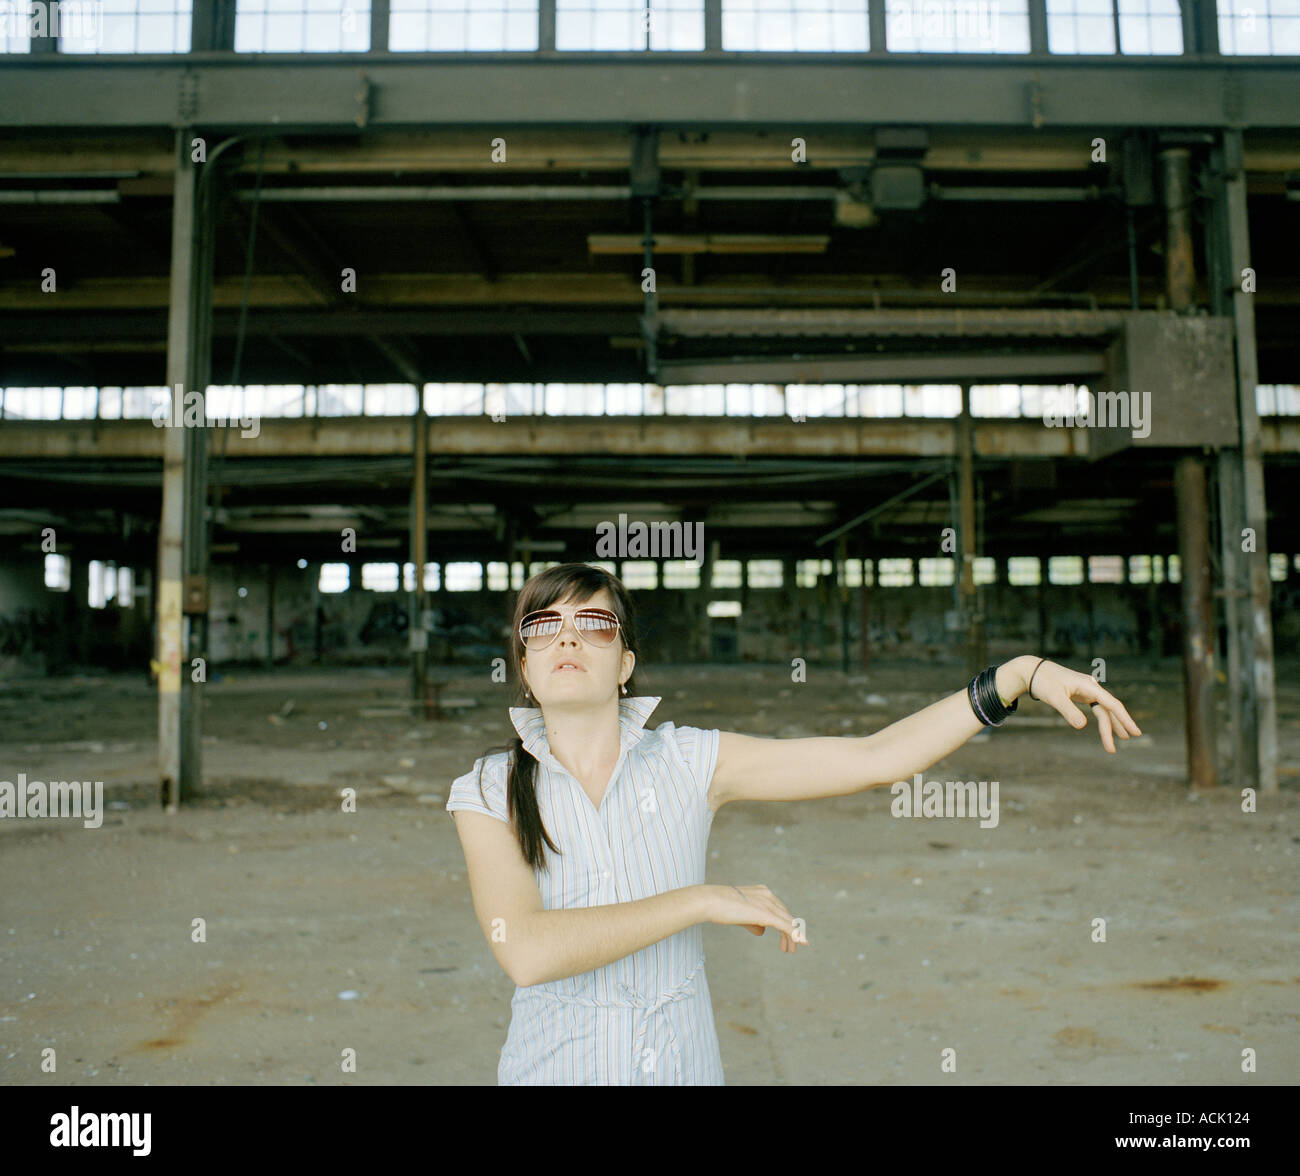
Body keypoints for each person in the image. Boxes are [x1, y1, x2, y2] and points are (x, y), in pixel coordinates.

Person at [445, 562, 1140, 1085]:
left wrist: (1014, 676)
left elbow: (875, 757)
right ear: (526, 668)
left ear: (625, 664)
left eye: (592, 624)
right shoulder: (488, 789)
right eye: (543, 628)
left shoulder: (690, 761)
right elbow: (527, 950)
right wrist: (704, 899)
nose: (567, 638)